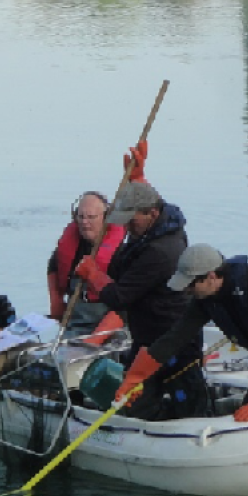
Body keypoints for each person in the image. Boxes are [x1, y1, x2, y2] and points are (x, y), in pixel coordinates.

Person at [112, 244, 248, 422]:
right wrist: (136, 375)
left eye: (191, 284)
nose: (187, 290)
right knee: (245, 411)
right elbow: (175, 337)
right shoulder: (205, 298)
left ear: (210, 276)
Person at [74, 178, 210, 420]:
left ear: (152, 213)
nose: (126, 226)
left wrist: (94, 276)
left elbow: (119, 297)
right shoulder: (149, 232)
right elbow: (121, 268)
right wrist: (137, 174)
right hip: (145, 338)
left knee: (189, 404)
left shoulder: (161, 251)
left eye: (131, 219)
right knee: (137, 403)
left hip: (170, 339)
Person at [46, 190, 126, 336]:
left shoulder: (122, 251)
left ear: (106, 218)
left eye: (91, 217)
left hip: (111, 327)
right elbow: (53, 265)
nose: (84, 222)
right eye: (81, 216)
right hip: (76, 322)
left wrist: (94, 340)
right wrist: (56, 301)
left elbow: (126, 303)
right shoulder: (72, 243)